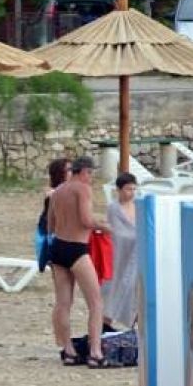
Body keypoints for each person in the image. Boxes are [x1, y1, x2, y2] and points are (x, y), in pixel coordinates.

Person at [48, 156, 110, 367]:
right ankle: (95, 352)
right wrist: (108, 227)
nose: (91, 178)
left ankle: (68, 350)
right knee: (96, 302)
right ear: (84, 171)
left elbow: (50, 223)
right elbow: (86, 220)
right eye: (91, 173)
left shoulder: (58, 191)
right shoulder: (82, 189)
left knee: (63, 303)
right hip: (77, 248)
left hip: (57, 247)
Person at [101, 172, 138, 330]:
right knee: (114, 287)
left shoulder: (138, 206)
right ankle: (106, 323)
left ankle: (134, 324)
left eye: (133, 189)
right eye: (128, 189)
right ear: (120, 189)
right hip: (118, 253)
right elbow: (114, 230)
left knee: (133, 288)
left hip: (136, 252)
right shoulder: (113, 208)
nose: (131, 193)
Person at [36, 157, 69, 272]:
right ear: (60, 174)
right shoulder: (53, 193)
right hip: (53, 237)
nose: (73, 172)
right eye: (68, 170)